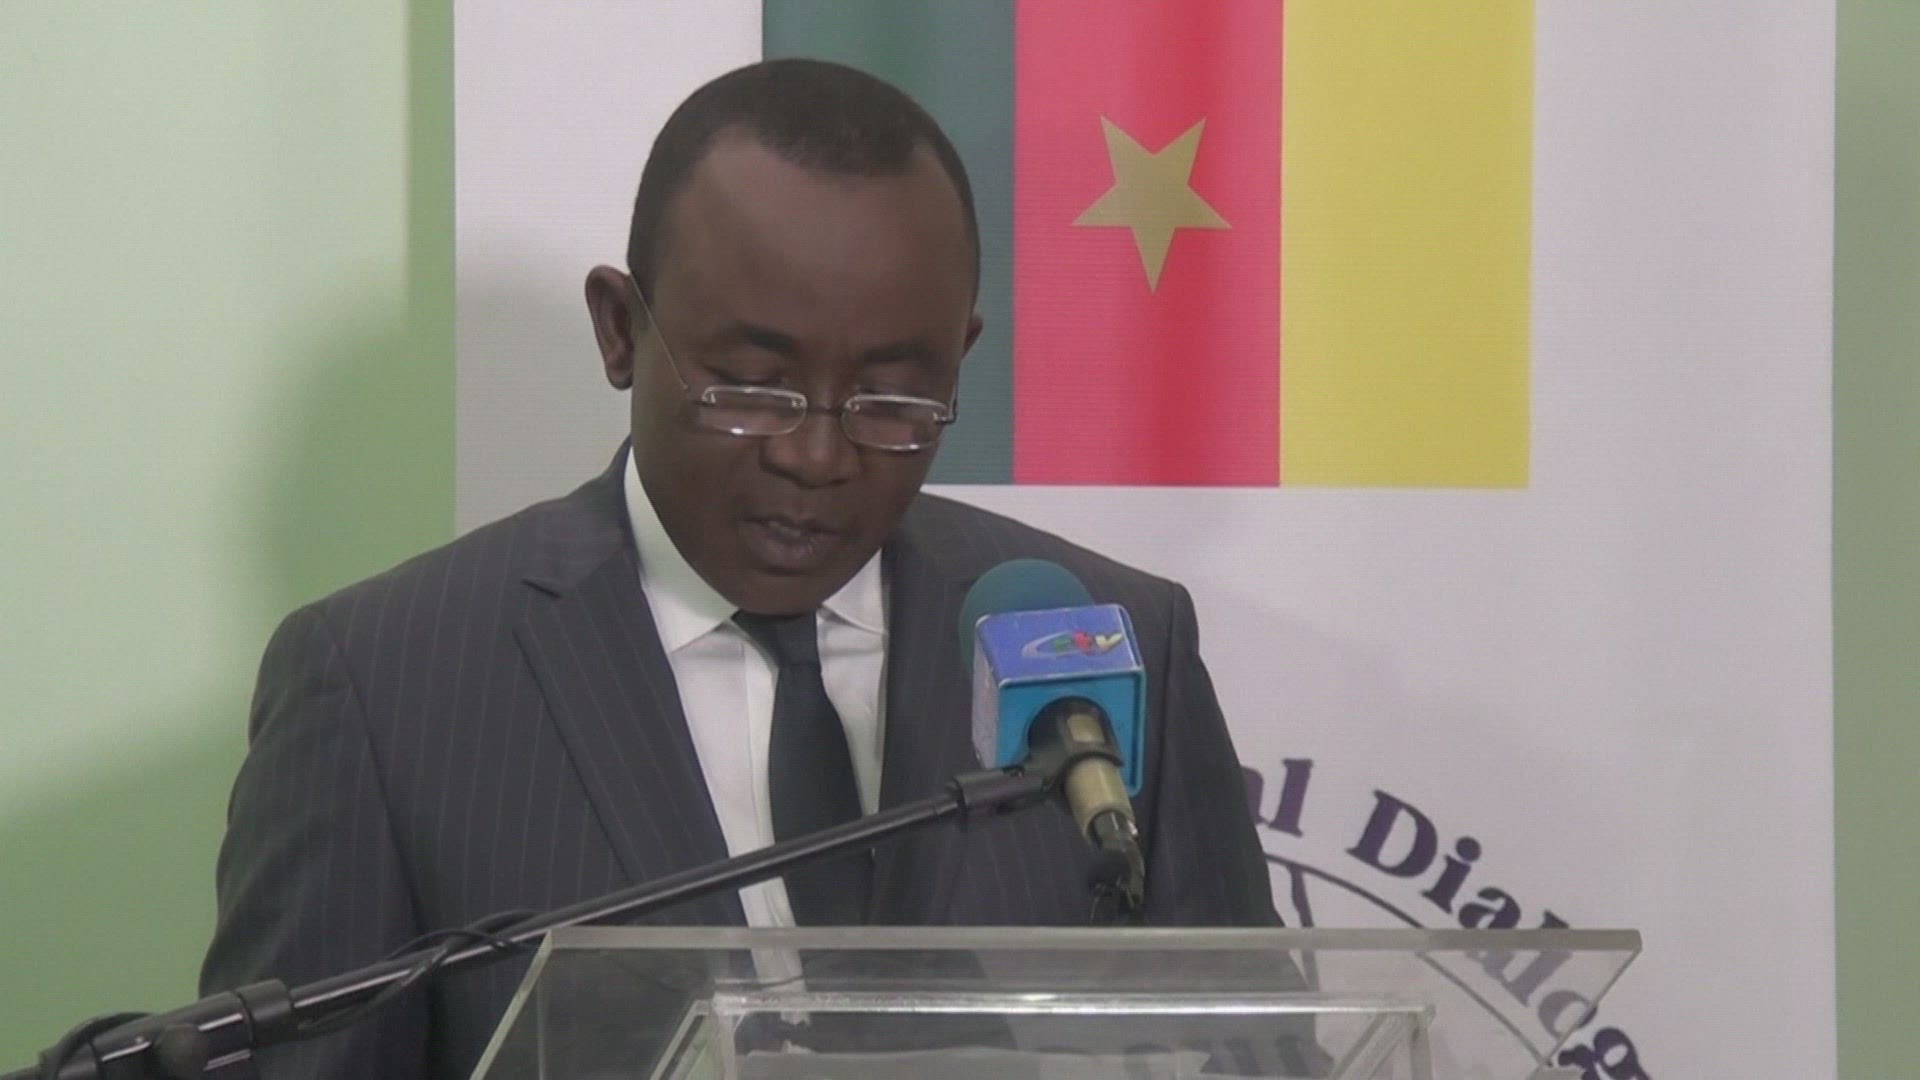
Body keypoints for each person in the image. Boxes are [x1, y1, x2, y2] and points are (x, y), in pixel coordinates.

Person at [201, 58, 1277, 1079]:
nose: (817, 455)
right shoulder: (386, 689)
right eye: (752, 387)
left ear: (959, 357)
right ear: (621, 331)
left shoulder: (1114, 644)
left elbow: (1261, 1056)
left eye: (892, 399)